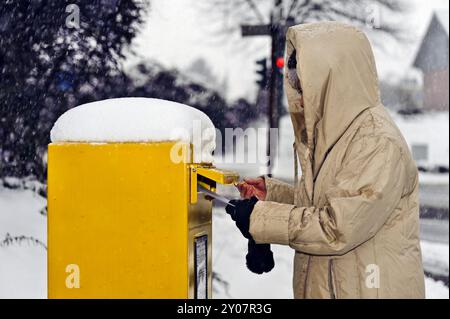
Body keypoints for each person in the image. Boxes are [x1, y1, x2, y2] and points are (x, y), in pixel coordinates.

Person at [225, 22, 425, 299]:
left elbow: (336, 226)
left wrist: (262, 218)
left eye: (306, 85)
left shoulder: (376, 141)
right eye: (295, 86)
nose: (301, 98)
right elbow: (329, 203)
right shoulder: (338, 135)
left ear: (333, 80)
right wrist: (272, 196)